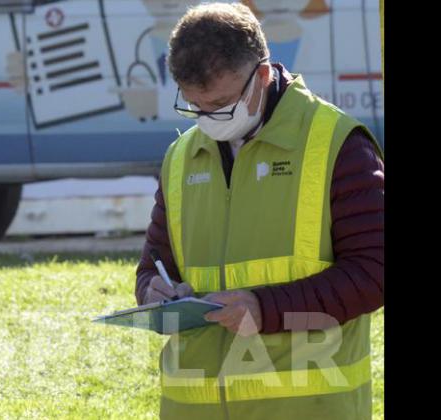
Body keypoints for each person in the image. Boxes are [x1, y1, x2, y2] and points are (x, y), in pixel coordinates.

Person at [134, 3, 384, 419]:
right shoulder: (180, 157)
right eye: (194, 106)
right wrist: (152, 291)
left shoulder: (338, 144)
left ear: (264, 76)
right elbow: (155, 263)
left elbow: (375, 270)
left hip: (306, 408)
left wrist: (266, 309)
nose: (208, 118)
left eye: (221, 104)